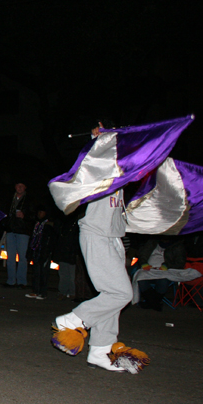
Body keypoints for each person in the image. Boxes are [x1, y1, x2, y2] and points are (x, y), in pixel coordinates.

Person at [53, 122, 133, 372]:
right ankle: (74, 319)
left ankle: (100, 349)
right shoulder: (100, 168)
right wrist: (97, 140)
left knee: (111, 296)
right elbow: (86, 163)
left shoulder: (123, 170)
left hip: (113, 237)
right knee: (122, 294)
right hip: (97, 234)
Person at [5, 182, 34, 289]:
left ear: (25, 187)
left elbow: (34, 215)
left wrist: (24, 216)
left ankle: (22, 281)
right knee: (10, 257)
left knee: (22, 257)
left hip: (23, 231)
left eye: (22, 185)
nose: (20, 187)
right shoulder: (10, 199)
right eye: (18, 185)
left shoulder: (29, 200)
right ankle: (11, 281)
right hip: (11, 230)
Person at [25, 206, 55, 300]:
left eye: (41, 212)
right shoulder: (37, 224)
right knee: (36, 272)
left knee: (43, 273)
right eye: (38, 212)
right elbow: (33, 238)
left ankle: (42, 293)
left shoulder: (48, 225)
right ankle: (35, 291)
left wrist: (47, 252)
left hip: (44, 251)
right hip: (36, 250)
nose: (39, 214)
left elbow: (50, 240)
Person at [52, 212, 79, 301]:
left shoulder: (76, 223)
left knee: (71, 275)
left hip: (71, 251)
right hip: (63, 250)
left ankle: (72, 292)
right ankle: (63, 292)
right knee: (63, 274)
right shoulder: (62, 222)